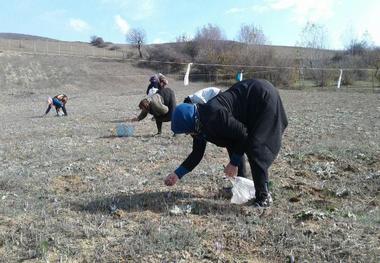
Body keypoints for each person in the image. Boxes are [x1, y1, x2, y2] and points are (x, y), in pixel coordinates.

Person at [165, 79, 288, 207]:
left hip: (262, 97)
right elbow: (197, 153)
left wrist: (234, 163)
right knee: (234, 143)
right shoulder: (199, 124)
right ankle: (242, 187)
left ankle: (264, 197)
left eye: (186, 132)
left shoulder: (215, 115)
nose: (188, 135)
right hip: (251, 100)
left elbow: (243, 134)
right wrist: (177, 174)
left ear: (191, 126)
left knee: (256, 148)